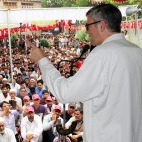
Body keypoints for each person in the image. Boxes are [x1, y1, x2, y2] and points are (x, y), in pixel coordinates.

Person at [28, 4, 142, 142]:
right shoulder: (137, 52)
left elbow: (65, 92)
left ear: (101, 25)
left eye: (88, 26)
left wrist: (42, 60)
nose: (87, 31)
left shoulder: (102, 54)